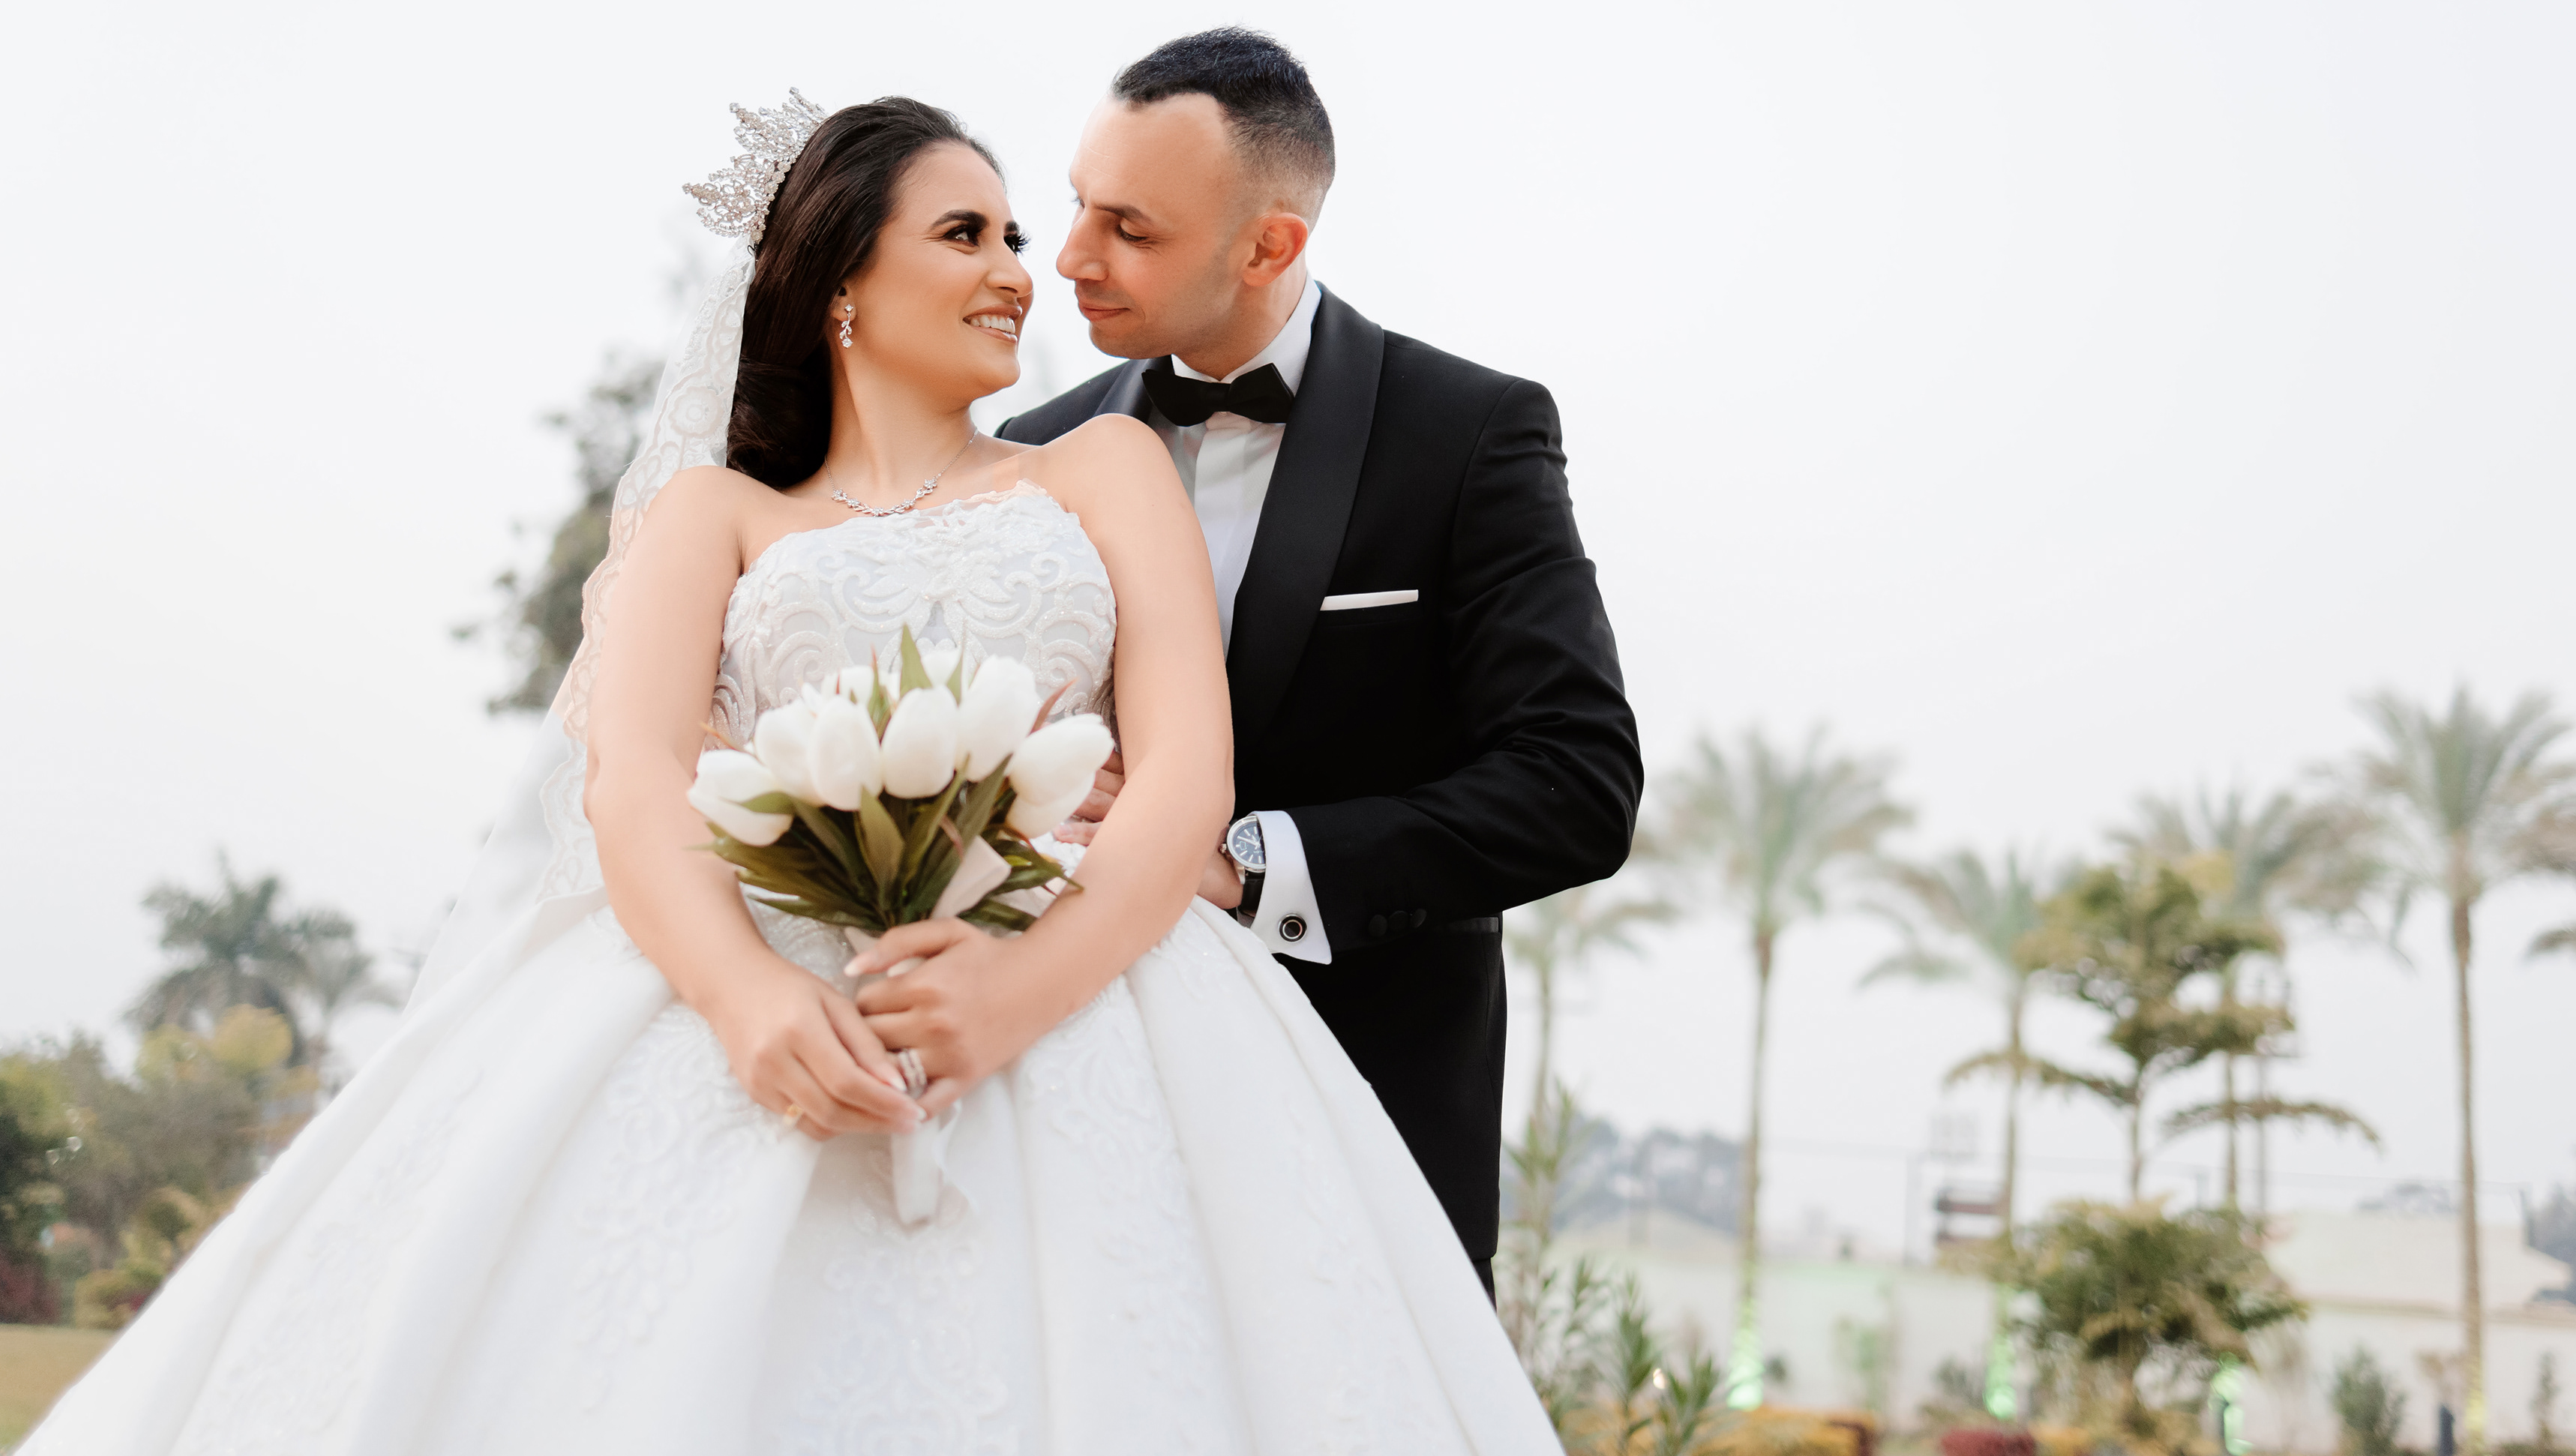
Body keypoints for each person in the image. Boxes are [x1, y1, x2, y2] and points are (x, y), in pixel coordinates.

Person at [26, 94, 1558, 1454]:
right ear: (839, 283)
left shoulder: (1105, 466)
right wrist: (750, 1001)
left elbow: (1185, 776)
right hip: (743, 997)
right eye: (966, 232)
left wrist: (1016, 993)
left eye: (1015, 234)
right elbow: (634, 784)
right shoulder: (712, 515)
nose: (1021, 270)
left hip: (1099, 995)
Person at [997, 30, 1643, 1286]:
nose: (1070, 256)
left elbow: (1576, 783)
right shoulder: (1033, 447)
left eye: (1130, 227)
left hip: (1362, 1141)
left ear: (1270, 245)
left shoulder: (1468, 434)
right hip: (1075, 1122)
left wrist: (1243, 864)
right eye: (1077, 204)